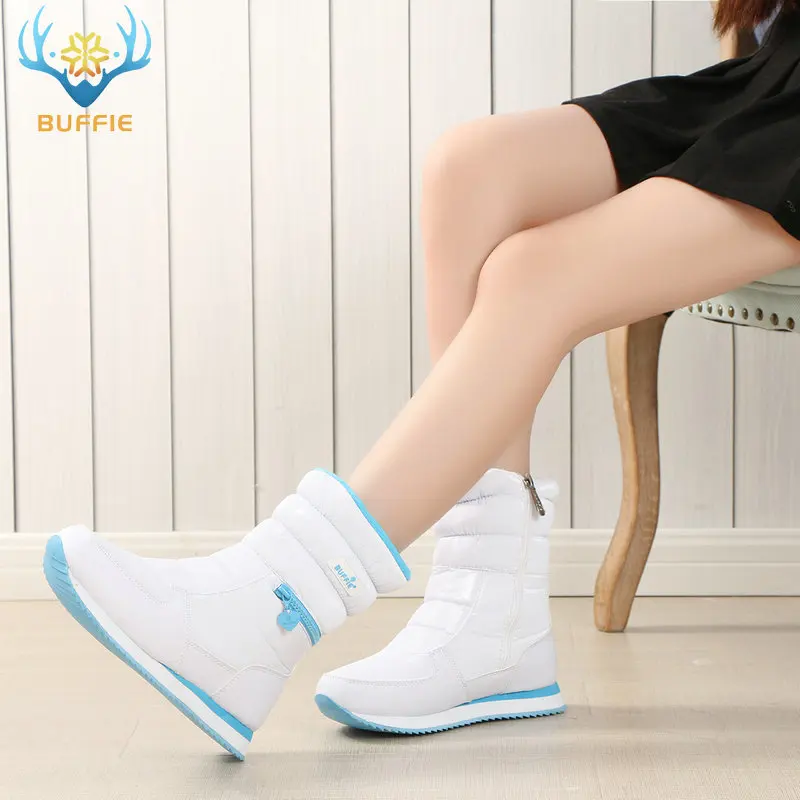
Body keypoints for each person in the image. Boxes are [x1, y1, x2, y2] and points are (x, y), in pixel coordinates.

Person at [44, 0, 800, 760]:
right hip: (770, 78)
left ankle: (268, 605)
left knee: (534, 274)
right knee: (469, 168)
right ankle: (488, 622)